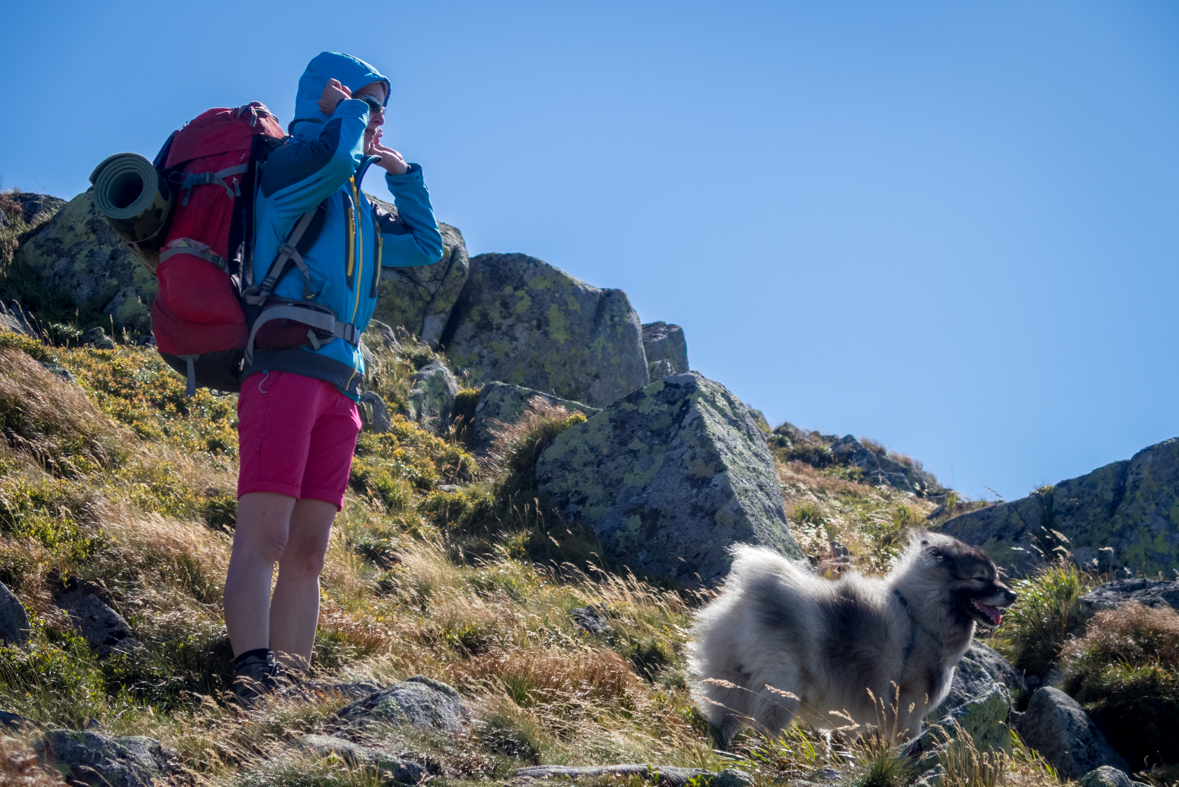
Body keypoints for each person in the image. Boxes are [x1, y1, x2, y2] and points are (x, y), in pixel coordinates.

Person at [222, 51, 444, 704]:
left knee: (310, 549)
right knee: (264, 534)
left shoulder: (358, 209)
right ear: (327, 96)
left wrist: (405, 179)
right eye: (367, 103)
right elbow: (333, 160)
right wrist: (344, 119)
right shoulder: (289, 166)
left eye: (380, 108)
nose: (376, 119)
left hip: (339, 387)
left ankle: (289, 683)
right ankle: (249, 677)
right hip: (283, 371)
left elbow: (426, 247)